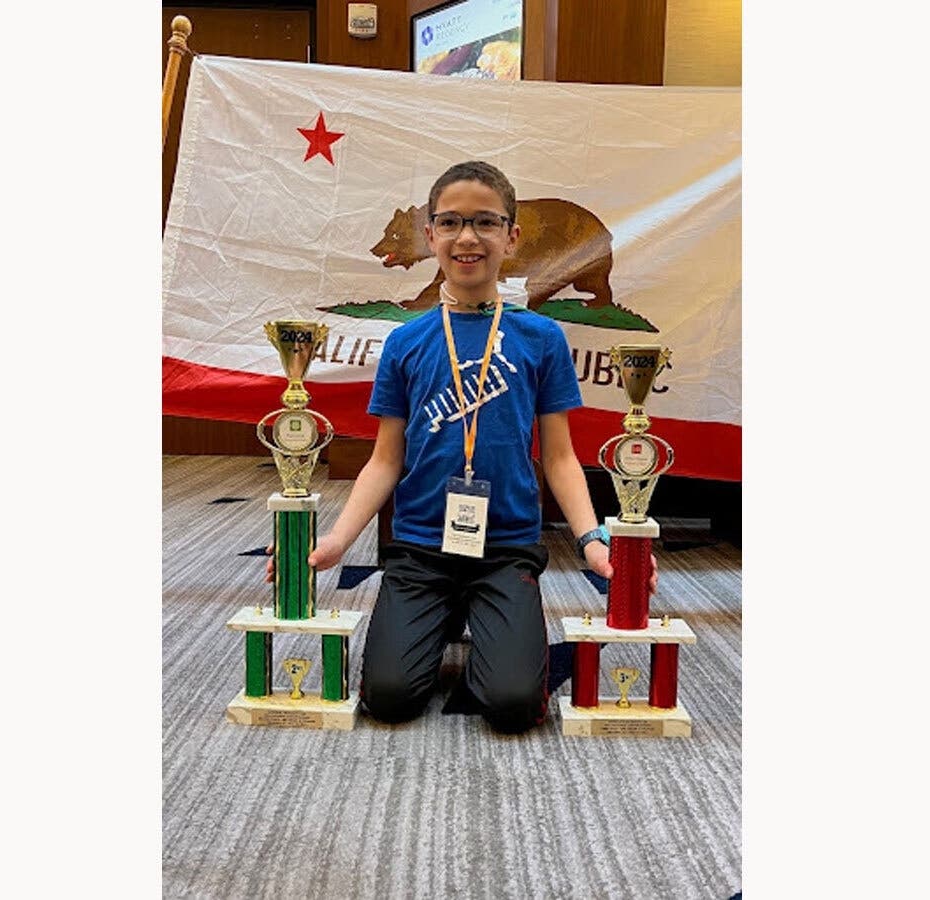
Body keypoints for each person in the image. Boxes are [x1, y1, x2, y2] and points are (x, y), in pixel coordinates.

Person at [269, 161, 658, 734]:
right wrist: (334, 542)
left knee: (513, 704)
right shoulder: (405, 341)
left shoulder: (542, 337)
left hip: (505, 547)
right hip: (421, 547)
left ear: (512, 236)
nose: (467, 237)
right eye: (450, 222)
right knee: (389, 697)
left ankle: (484, 616)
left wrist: (594, 541)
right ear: (430, 235)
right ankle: (444, 612)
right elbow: (386, 459)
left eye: (485, 222)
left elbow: (558, 457)